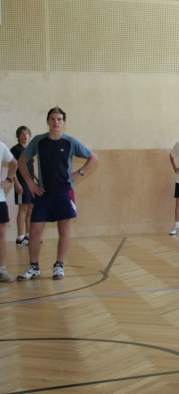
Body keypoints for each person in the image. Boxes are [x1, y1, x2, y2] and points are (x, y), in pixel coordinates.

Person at [16, 106, 98, 281]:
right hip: (43, 193)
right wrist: (30, 182)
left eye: (59, 119)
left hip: (64, 193)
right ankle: (34, 267)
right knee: (35, 230)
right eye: (52, 119)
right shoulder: (38, 141)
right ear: (47, 121)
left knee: (64, 230)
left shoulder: (70, 142)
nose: (56, 122)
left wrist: (78, 173)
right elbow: (21, 162)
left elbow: (93, 158)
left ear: (64, 122)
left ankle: (59, 265)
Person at [11, 126, 36, 247]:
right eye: (22, 134)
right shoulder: (15, 149)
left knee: (31, 208)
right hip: (21, 184)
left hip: (30, 185)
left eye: (27, 133)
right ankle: (20, 238)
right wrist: (16, 183)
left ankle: (28, 235)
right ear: (18, 136)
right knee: (23, 209)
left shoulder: (30, 150)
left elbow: (31, 167)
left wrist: (36, 178)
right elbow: (13, 169)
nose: (25, 136)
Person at [1, 141, 21, 282]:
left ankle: (1, 270)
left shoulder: (0, 146)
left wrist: (9, 180)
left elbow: (14, 163)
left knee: (1, 232)